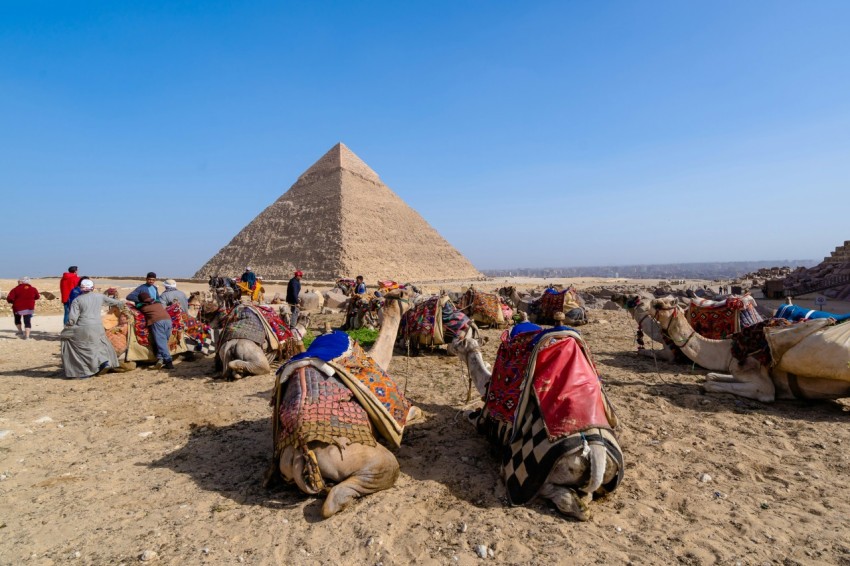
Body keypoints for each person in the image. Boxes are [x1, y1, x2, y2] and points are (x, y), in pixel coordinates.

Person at [61, 279, 127, 378]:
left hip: (83, 326)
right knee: (99, 345)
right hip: (98, 326)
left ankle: (85, 373)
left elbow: (72, 318)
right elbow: (116, 303)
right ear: (93, 287)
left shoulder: (77, 300)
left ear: (81, 288)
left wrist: (67, 328)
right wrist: (125, 307)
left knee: (82, 348)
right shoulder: (99, 297)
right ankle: (104, 362)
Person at [137, 291, 174, 369]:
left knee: (161, 342)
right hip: (168, 320)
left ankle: (168, 362)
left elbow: (137, 308)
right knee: (165, 340)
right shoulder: (158, 304)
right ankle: (160, 358)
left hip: (157, 322)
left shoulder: (143, 307)